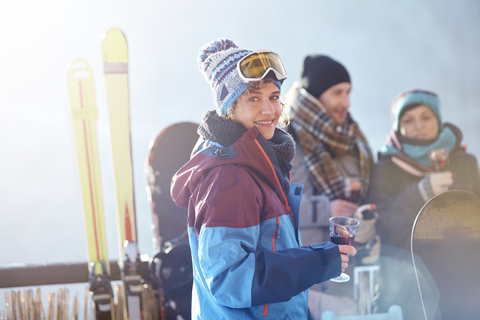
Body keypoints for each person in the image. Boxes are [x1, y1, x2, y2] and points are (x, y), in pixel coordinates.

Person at [170, 39, 356, 319]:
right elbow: (229, 278)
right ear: (229, 107)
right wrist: (318, 261)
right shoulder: (227, 177)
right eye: (253, 98)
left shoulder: (260, 163)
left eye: (273, 96)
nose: (270, 110)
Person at [365, 88, 480, 318]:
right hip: (410, 279)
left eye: (426, 117)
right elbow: (383, 227)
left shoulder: (464, 162)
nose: (419, 126)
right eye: (408, 120)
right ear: (397, 126)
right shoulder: (386, 169)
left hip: (466, 277)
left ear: (438, 119)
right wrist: (419, 193)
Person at [284, 55, 375, 317]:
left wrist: (365, 223)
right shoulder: (288, 138)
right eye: (337, 93)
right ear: (316, 95)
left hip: (349, 269)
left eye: (348, 92)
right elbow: (282, 206)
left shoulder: (352, 139)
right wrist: (328, 209)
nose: (346, 102)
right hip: (307, 272)